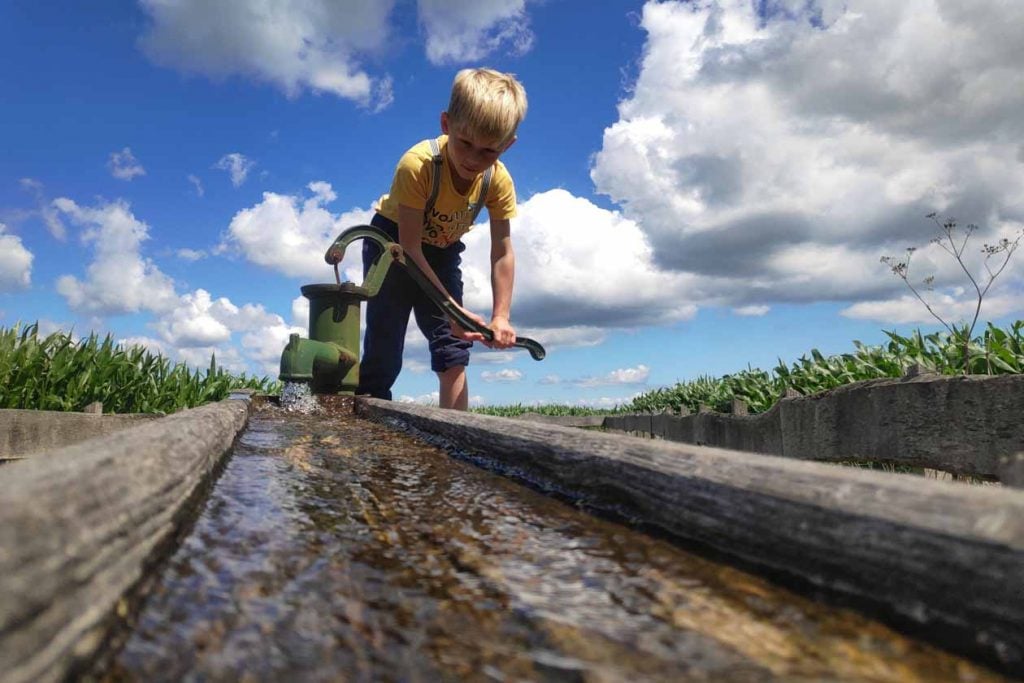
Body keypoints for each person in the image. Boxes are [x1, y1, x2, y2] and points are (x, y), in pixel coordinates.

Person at [357, 67, 527, 410]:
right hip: (392, 246)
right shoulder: (418, 165)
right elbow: (409, 247)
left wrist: (501, 315)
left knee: (453, 345)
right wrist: (451, 308)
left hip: (442, 252)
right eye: (465, 144)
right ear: (446, 125)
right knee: (385, 346)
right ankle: (368, 424)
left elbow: (502, 252)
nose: (473, 159)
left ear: (507, 146)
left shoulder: (497, 181)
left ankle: (454, 443)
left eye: (488, 152)